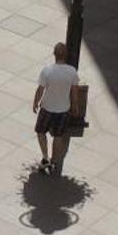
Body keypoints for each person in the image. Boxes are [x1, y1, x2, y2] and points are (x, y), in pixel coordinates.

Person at [32, 43, 80, 174]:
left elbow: (40, 89)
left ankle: (45, 157)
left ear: (54, 54)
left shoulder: (47, 70)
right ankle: (54, 161)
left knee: (40, 131)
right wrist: (75, 106)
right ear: (66, 55)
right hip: (63, 109)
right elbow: (74, 92)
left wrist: (36, 102)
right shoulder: (72, 72)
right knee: (58, 136)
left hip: (47, 107)